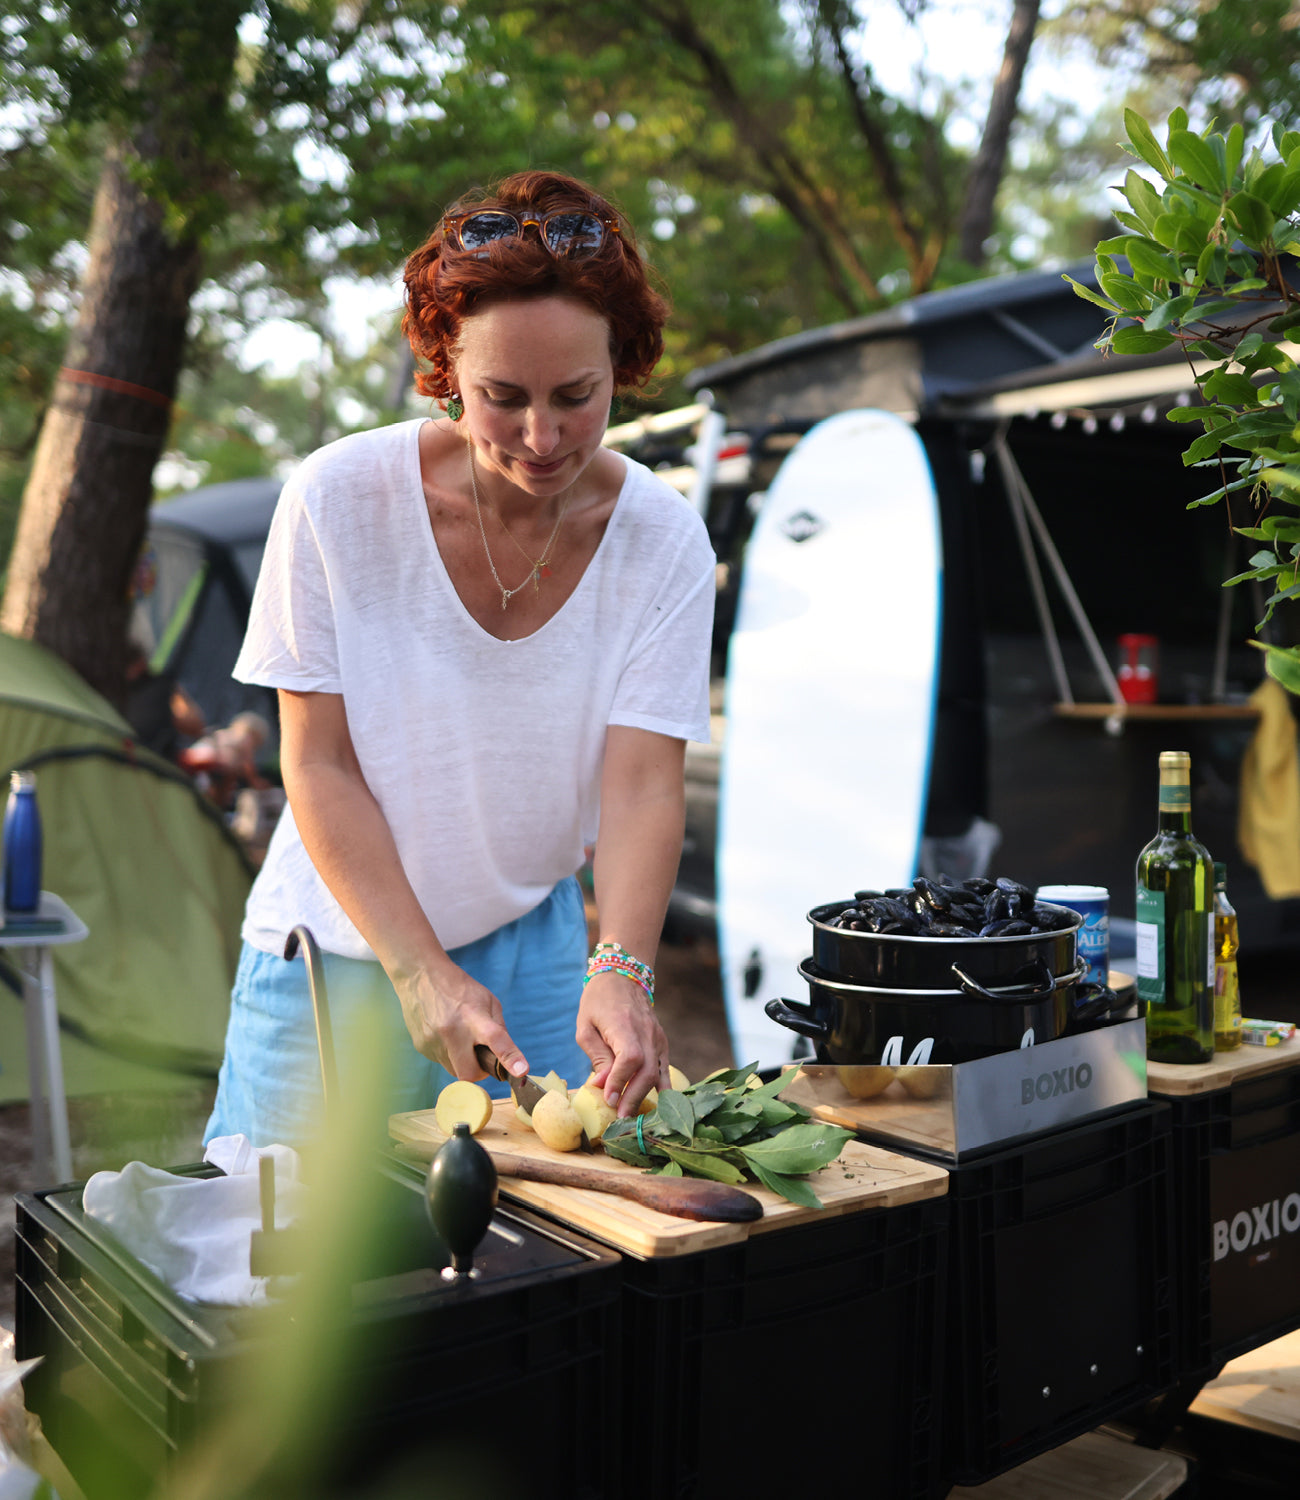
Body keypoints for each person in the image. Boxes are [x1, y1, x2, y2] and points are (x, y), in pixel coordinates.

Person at [204, 170, 716, 1149]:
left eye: (577, 395)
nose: (540, 436)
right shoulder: (338, 500)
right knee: (282, 1269)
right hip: (350, 941)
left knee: (540, 1267)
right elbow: (316, 763)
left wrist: (623, 968)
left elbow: (644, 784)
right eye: (501, 397)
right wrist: (416, 967)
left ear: (624, 364)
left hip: (541, 942)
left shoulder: (662, 539)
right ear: (443, 366)